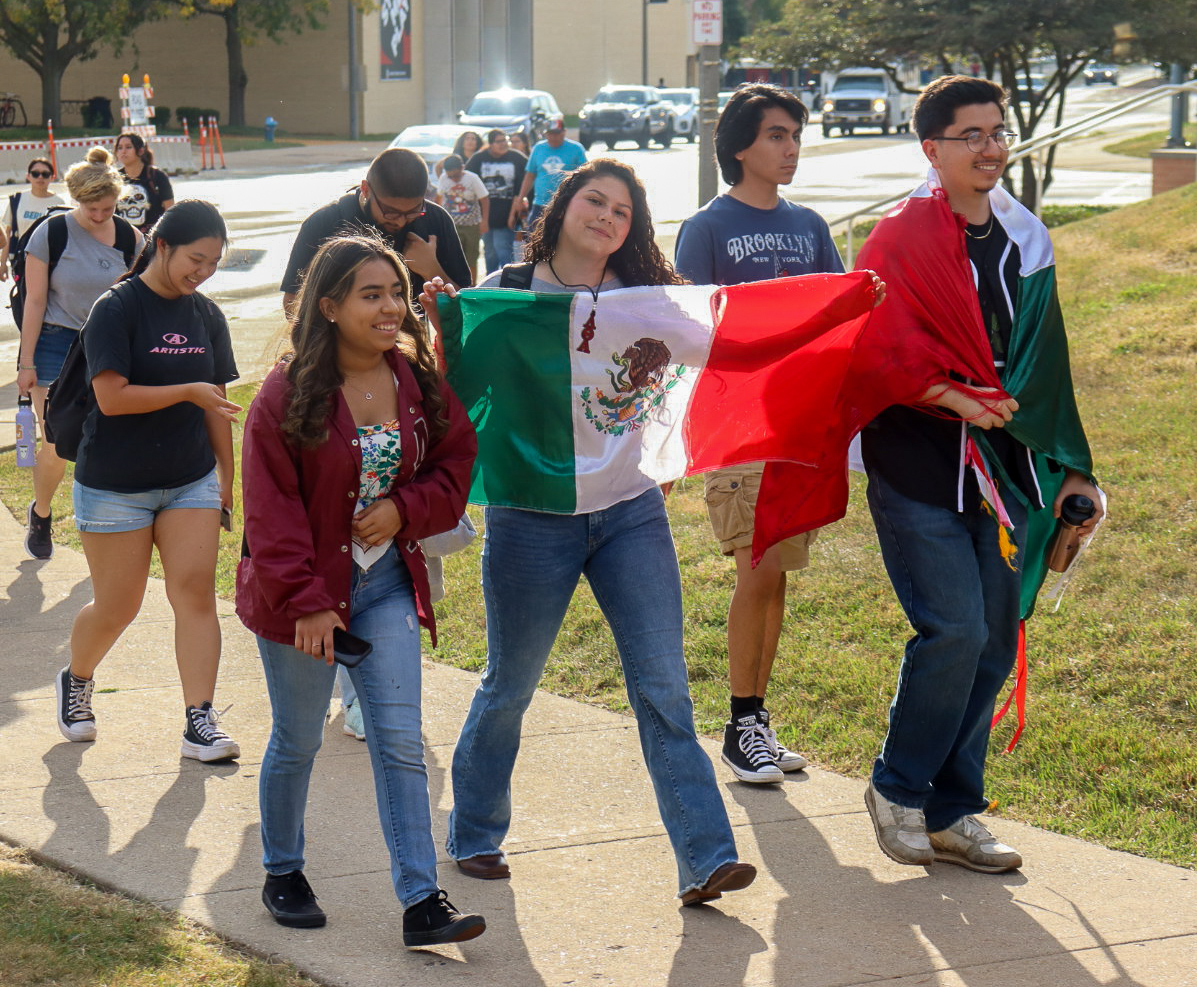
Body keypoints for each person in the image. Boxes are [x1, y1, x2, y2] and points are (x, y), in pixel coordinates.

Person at [424, 158, 757, 907]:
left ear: (631, 230)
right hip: (530, 517)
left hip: (630, 513)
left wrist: (825, 312)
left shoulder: (646, 303)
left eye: (622, 210)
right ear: (560, 205)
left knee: (664, 687)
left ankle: (707, 857)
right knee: (510, 683)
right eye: (593, 200)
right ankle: (474, 831)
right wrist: (443, 323)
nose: (606, 216)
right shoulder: (508, 291)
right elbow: (460, 393)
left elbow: (734, 344)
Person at [856, 76, 1103, 873]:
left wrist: (1069, 466)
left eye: (997, 132)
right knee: (953, 628)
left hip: (1003, 466)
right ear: (931, 148)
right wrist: (953, 396)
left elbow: (1044, 364)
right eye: (971, 135)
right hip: (917, 461)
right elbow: (878, 353)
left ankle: (952, 809)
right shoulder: (900, 237)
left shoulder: (1024, 239)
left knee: (995, 635)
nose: (991, 146)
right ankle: (896, 787)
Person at [237, 233, 485, 946]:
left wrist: (406, 508)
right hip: (303, 596)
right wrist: (308, 601)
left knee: (400, 739)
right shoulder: (286, 394)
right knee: (297, 739)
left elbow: (454, 460)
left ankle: (421, 899)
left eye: (396, 294)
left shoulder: (414, 380)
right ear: (329, 305)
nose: (389, 309)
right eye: (370, 295)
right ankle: (282, 869)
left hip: (382, 583)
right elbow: (271, 511)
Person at [674, 83, 845, 785]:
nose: (790, 148)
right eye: (776, 135)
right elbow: (687, 328)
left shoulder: (809, 225)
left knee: (776, 577)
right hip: (740, 427)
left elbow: (839, 313)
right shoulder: (707, 227)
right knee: (756, 567)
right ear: (739, 145)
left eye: (795, 136)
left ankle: (757, 719)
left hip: (800, 427)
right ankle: (740, 723)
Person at [53, 200, 242, 765]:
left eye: (213, 263)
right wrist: (186, 390)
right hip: (115, 482)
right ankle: (78, 676)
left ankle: (200, 719)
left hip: (189, 479)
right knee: (119, 606)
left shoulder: (206, 315)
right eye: (195, 259)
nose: (202, 272)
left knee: (195, 594)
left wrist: (227, 480)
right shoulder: (117, 307)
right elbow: (111, 399)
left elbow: (217, 406)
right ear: (162, 246)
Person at [15, 147, 140, 561]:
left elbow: (138, 302)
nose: (101, 216)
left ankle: (104, 524)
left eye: (107, 208)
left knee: (103, 437)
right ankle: (43, 512)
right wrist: (26, 362)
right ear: (74, 199)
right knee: (57, 438)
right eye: (92, 208)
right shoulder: (51, 233)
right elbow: (34, 301)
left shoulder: (130, 238)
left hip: (106, 345)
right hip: (56, 341)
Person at [281, 147, 470, 317]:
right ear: (366, 189)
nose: (401, 221)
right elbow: (292, 303)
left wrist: (431, 269)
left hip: (410, 346)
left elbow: (467, 304)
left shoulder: (435, 219)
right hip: (339, 347)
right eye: (391, 212)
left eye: (412, 211)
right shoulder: (325, 223)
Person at [515, 117, 587, 238]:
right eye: (550, 134)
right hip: (540, 203)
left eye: (557, 134)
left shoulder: (576, 149)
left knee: (563, 238)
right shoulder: (539, 148)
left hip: (566, 203)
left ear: (564, 132)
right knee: (533, 237)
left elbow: (585, 174)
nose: (553, 137)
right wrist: (521, 198)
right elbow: (530, 174)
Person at [465, 129, 525, 273]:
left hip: (507, 214)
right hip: (486, 215)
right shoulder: (479, 159)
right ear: (491, 144)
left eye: (505, 140)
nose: (504, 144)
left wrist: (516, 213)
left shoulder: (517, 158)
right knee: (490, 252)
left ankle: (507, 282)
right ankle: (490, 281)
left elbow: (525, 183)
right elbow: (467, 178)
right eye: (499, 141)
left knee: (503, 249)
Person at [1, 157, 66, 278]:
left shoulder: (60, 203)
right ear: (28, 176)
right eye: (35, 174)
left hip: (49, 263)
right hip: (21, 261)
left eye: (45, 174)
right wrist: (3, 263)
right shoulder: (17, 199)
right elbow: (7, 233)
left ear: (52, 177)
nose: (40, 177)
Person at [436, 153, 488, 287]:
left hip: (471, 224)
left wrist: (484, 221)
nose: (453, 179)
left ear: (462, 168)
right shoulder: (443, 179)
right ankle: (455, 285)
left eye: (456, 176)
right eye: (450, 176)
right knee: (452, 257)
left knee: (471, 257)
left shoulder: (472, 179)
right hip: (451, 224)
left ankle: (472, 286)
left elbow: (485, 199)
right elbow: (439, 198)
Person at [114, 132, 175, 231]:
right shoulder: (114, 178)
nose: (123, 151)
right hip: (122, 237)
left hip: (152, 238)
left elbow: (170, 210)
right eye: (120, 148)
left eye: (128, 147)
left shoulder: (157, 176)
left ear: (141, 151)